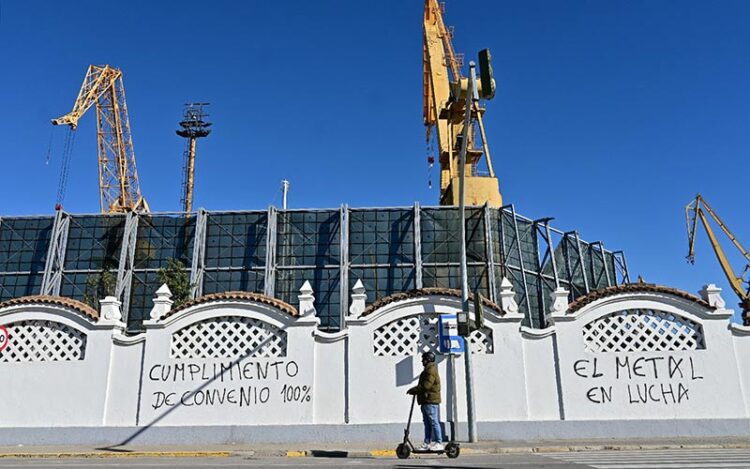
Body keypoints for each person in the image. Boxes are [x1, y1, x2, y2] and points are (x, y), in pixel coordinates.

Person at [407, 351, 443, 451]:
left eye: (424, 359)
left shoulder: (430, 370)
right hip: (426, 400)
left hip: (430, 400)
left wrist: (415, 390)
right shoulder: (428, 369)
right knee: (427, 423)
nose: (422, 361)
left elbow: (426, 386)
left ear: (428, 359)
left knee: (434, 422)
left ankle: (439, 443)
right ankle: (427, 443)